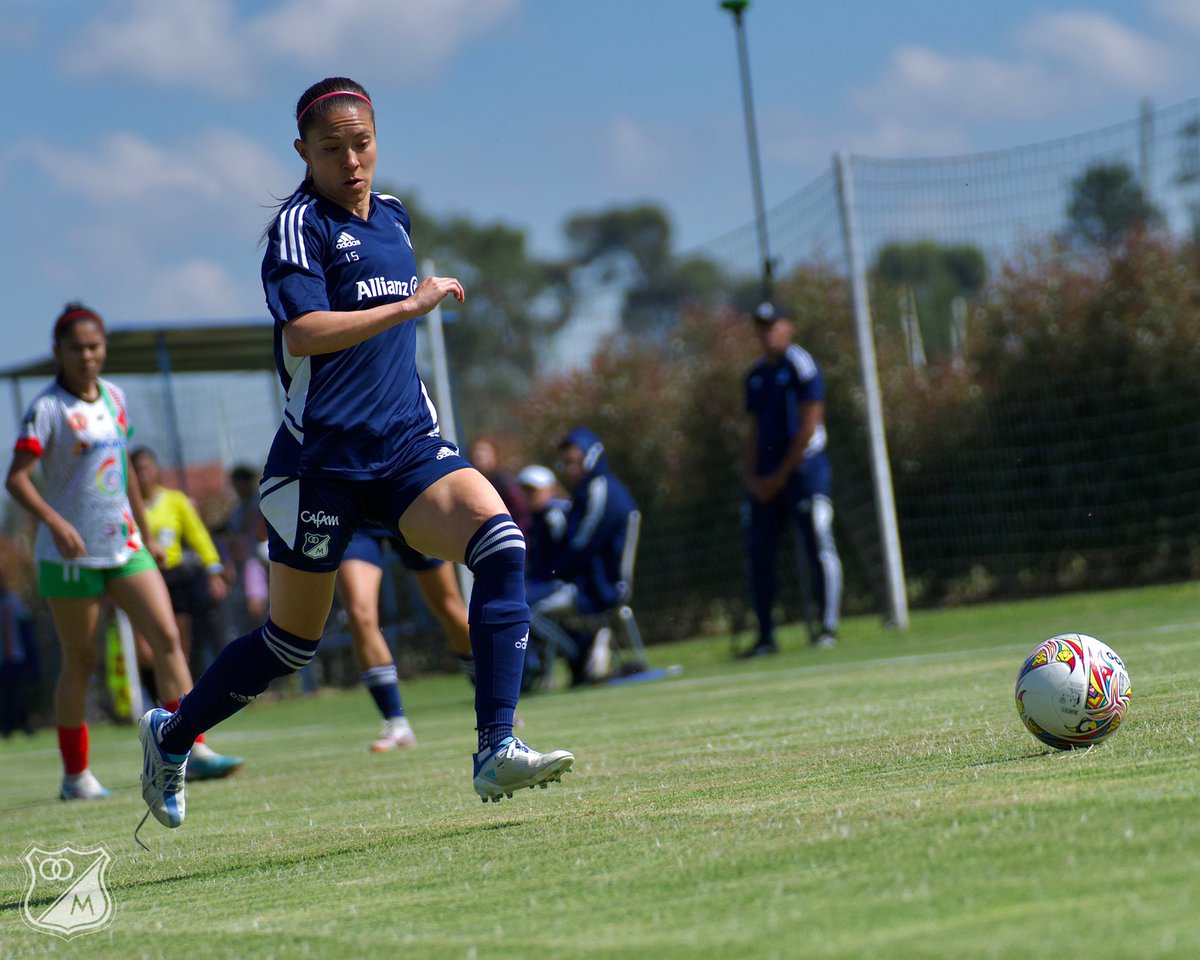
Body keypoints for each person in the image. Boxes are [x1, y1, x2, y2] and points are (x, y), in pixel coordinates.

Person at [138, 78, 573, 836]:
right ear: (303, 152)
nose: (352, 160)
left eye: (362, 143)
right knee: (290, 643)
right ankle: (170, 736)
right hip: (322, 468)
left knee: (500, 545)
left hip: (406, 451)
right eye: (333, 148)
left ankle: (495, 746)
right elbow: (303, 332)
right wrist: (407, 306)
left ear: (378, 140)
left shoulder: (396, 216)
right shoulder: (298, 228)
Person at [4, 303, 243, 801]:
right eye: (76, 349)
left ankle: (192, 750)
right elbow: (18, 480)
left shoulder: (114, 396)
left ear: (103, 348)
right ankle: (76, 778)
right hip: (70, 557)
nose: (87, 356)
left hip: (126, 545)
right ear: (59, 353)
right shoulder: (48, 408)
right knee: (81, 659)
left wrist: (146, 527)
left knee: (169, 639)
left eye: (94, 347)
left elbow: (127, 471)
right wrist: (54, 522)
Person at [740, 300, 844, 657]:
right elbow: (753, 431)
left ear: (789, 327)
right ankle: (766, 636)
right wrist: (753, 478)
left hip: (804, 472)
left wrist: (780, 476)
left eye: (774, 325)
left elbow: (808, 427)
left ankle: (827, 627)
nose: (767, 333)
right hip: (767, 479)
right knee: (758, 550)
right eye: (762, 327)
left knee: (818, 538)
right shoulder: (755, 376)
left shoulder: (802, 366)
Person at [337, 526, 474, 751]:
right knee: (359, 614)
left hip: (404, 502)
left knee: (450, 607)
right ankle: (396, 722)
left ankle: (494, 703)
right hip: (357, 519)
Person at [528, 429, 639, 687]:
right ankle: (584, 653)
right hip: (585, 582)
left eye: (574, 462)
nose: (569, 469)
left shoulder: (600, 490)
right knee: (528, 600)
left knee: (527, 609)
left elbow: (581, 545)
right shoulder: (587, 490)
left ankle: (580, 656)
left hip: (600, 586)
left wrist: (549, 576)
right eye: (565, 463)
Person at [130, 446, 229, 679]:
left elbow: (198, 536)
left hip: (174, 577)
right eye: (137, 470)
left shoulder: (175, 501)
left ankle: (183, 695)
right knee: (146, 649)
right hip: (141, 578)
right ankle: (159, 693)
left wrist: (214, 569)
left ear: (156, 470)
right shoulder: (128, 508)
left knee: (178, 640)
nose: (143, 475)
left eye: (146, 468)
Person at [469, 437, 531, 534]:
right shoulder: (470, 482)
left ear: (495, 455)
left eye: (485, 451)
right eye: (476, 452)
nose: (479, 455)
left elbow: (521, 512)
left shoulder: (504, 481)